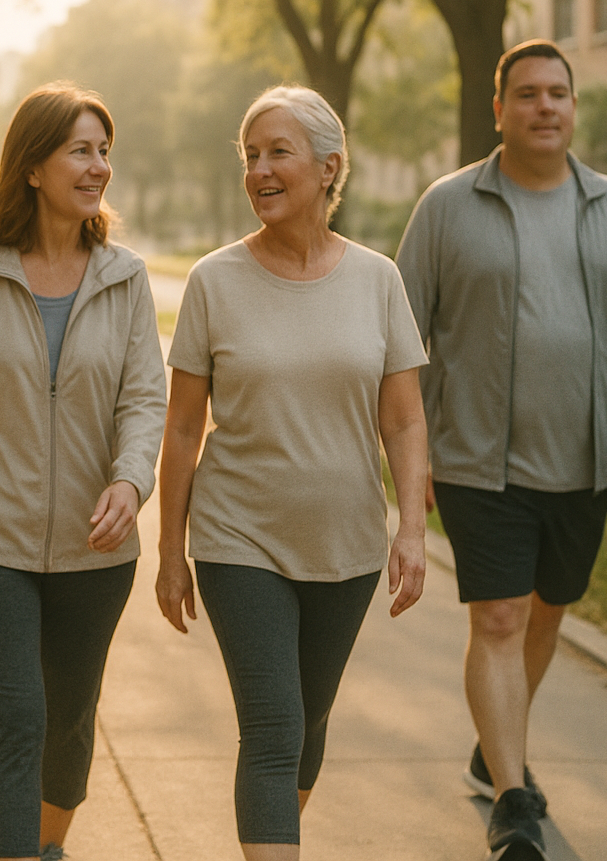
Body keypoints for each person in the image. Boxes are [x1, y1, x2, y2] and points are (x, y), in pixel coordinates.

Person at [395, 39, 607, 860]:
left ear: (574, 107)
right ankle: (514, 799)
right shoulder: (448, 206)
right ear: (500, 110)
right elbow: (403, 334)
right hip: (477, 460)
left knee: (549, 608)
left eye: (558, 93)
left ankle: (496, 743)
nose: (544, 106)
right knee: (502, 615)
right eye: (527, 94)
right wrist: (415, 460)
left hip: (584, 461)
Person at [156, 85, 429, 861]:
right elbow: (182, 427)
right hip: (239, 538)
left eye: (278, 151)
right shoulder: (215, 280)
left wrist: (411, 527)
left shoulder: (378, 280)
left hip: (346, 542)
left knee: (307, 726)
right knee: (274, 724)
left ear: (328, 166)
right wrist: (172, 552)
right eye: (250, 155)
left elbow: (405, 419)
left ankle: (275, 832)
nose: (261, 170)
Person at [0, 83, 167, 861]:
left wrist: (130, 482)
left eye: (104, 151)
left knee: (68, 721)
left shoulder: (125, 278)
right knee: (17, 716)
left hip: (96, 550)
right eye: (81, 150)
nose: (100, 168)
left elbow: (144, 401)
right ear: (31, 166)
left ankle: (47, 842)